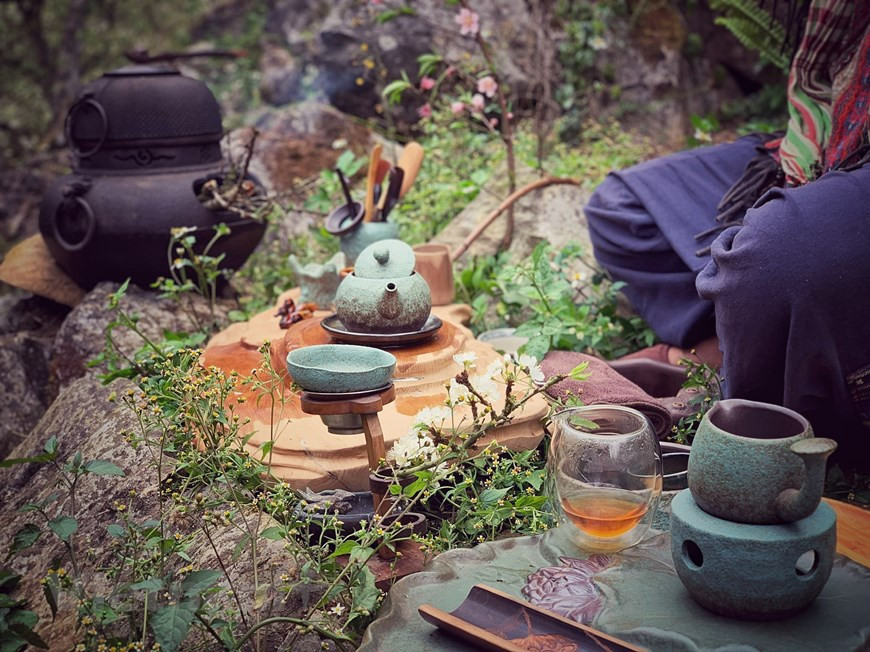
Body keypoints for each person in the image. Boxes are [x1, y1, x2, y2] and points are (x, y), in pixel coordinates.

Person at [584, 0, 870, 466]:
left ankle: (757, 421)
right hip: (827, 131)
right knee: (622, 208)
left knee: (771, 257)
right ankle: (728, 347)